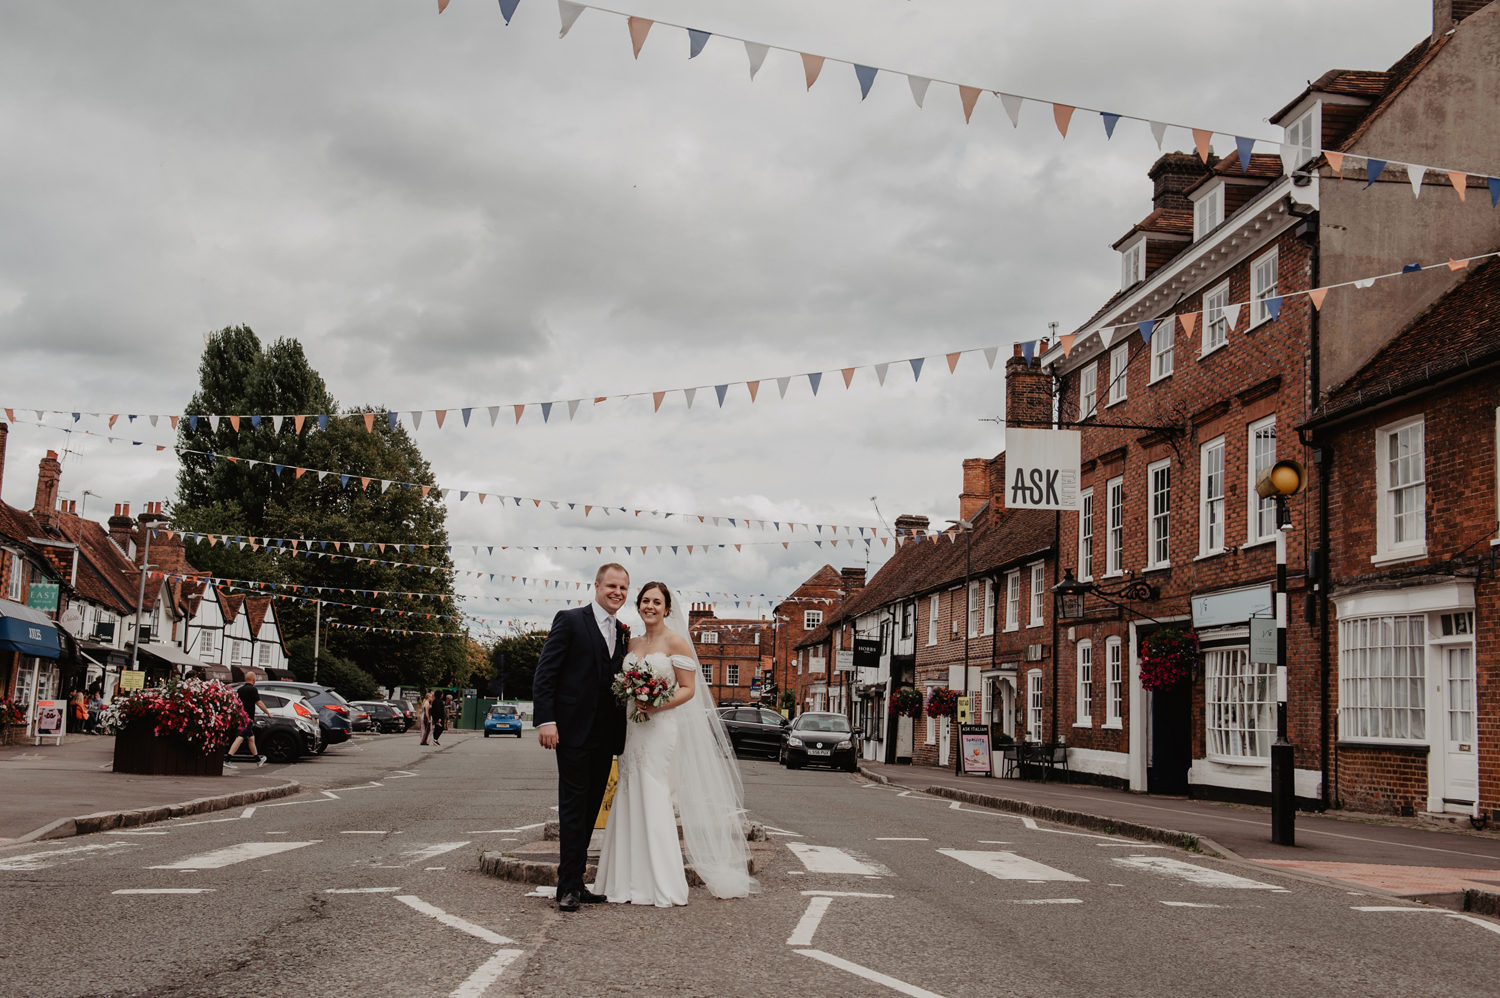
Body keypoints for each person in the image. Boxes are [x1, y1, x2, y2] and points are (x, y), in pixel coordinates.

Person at [594, 581, 755, 906]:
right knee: (628, 792)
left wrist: (656, 704)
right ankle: (622, 880)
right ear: (639, 606)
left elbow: (688, 689)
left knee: (653, 793)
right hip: (632, 728)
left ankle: (661, 882)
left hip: (659, 728)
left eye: (656, 602)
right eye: (645, 601)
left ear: (667, 609)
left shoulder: (677, 642)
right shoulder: (632, 642)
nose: (650, 606)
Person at [532, 563, 630, 913]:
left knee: (589, 811)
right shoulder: (570, 620)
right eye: (611, 586)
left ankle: (578, 882)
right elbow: (546, 673)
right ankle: (566, 888)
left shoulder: (623, 630)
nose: (617, 592)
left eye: (622, 587)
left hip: (606, 736)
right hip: (571, 732)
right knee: (574, 809)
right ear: (597, 586)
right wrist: (546, 720)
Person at [224, 671, 272, 768]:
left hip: (241, 717)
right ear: (254, 680)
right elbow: (259, 703)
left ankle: (258, 760)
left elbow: (236, 703)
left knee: (251, 738)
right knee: (240, 737)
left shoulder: (240, 690)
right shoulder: (253, 690)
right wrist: (268, 712)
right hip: (248, 718)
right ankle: (227, 759)